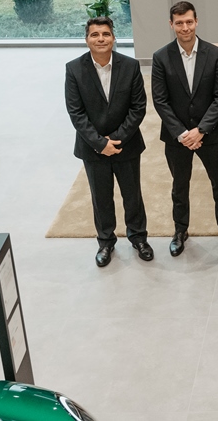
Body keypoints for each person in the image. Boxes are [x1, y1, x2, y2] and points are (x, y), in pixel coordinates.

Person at [65, 16, 152, 267]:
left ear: (113, 38)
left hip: (126, 145)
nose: (100, 39)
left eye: (105, 34)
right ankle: (105, 242)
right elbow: (76, 113)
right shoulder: (74, 69)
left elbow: (138, 107)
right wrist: (100, 144)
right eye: (95, 35)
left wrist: (116, 140)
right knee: (101, 198)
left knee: (132, 195)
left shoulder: (130, 66)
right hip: (93, 148)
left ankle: (138, 238)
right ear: (86, 39)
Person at [151, 1, 218, 257]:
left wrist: (201, 130)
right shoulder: (161, 57)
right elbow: (160, 100)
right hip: (177, 137)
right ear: (171, 24)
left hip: (209, 133)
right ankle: (180, 231)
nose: (185, 27)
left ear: (196, 21)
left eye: (189, 21)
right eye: (179, 23)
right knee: (180, 186)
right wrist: (182, 133)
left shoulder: (215, 54)